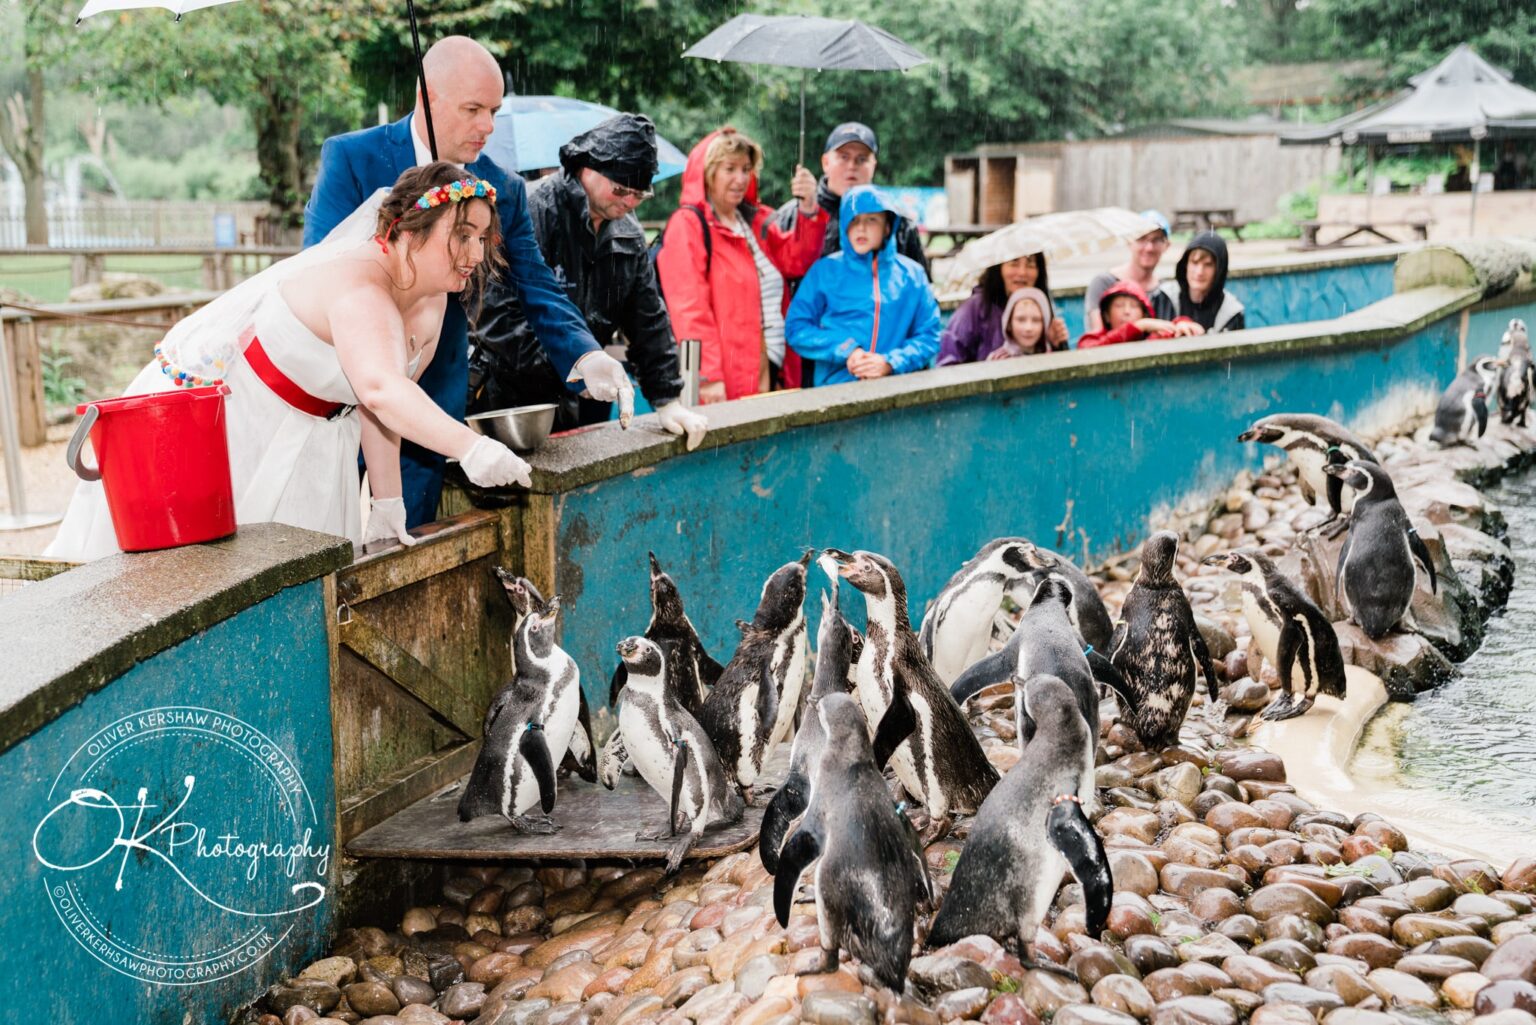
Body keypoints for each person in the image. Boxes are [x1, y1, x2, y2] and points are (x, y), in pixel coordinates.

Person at [46, 164, 533, 562]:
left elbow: (380, 409)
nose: (474, 254)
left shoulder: (433, 302)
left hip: (321, 443)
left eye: (482, 238)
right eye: (462, 235)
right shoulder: (361, 288)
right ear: (407, 230)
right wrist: (471, 448)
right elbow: (382, 389)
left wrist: (388, 504)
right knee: (198, 569)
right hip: (246, 425)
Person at [302, 36, 632, 529]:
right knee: (325, 535)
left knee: (411, 539)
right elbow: (319, 267)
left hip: (432, 389)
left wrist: (586, 354)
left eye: (494, 110)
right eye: (473, 109)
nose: (487, 127)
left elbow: (537, 284)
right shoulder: (352, 157)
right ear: (426, 98)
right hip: (334, 387)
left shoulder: (505, 188)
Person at [468, 113, 708, 449]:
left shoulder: (629, 234)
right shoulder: (534, 210)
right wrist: (572, 369)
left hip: (587, 398)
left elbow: (649, 319)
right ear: (585, 168)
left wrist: (667, 398)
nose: (628, 202)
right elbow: (493, 315)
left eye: (640, 196)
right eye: (620, 189)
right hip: (508, 398)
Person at [655, 127, 828, 403]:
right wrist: (707, 377)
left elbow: (797, 261)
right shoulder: (688, 225)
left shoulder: (756, 220)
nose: (740, 179)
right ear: (708, 172)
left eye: (746, 169)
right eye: (730, 169)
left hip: (774, 367)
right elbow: (690, 309)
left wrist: (808, 208)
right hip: (725, 375)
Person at [772, 122, 931, 385]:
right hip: (812, 370)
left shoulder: (902, 228)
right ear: (825, 162)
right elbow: (791, 315)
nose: (852, 166)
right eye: (843, 157)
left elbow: (924, 318)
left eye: (861, 159)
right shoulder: (792, 214)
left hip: (892, 377)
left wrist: (893, 361)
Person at [783, 185, 941, 386]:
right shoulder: (824, 271)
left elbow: (930, 334)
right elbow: (796, 328)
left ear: (887, 227)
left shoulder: (913, 275)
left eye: (871, 220)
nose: (861, 228)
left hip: (895, 391)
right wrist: (846, 350)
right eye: (854, 220)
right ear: (844, 226)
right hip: (835, 391)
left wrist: (891, 362)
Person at [937, 252, 1069, 364]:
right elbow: (948, 365)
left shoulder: (1042, 306)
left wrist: (1058, 345)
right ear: (998, 268)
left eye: (1030, 264)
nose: (1022, 272)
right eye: (1014, 263)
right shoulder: (973, 309)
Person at [1083, 210, 1175, 332]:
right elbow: (1096, 336)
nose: (1149, 247)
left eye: (1157, 240)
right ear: (1129, 241)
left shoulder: (1166, 290)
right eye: (1142, 238)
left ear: (1167, 246)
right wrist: (1140, 326)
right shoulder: (1104, 283)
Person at [1157, 231, 1245, 334]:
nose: (1199, 272)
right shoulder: (1165, 297)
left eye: (1208, 265)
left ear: (1219, 270)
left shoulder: (1231, 311)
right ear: (1185, 264)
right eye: (1194, 262)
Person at [1078, 279, 1193, 349]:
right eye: (1119, 305)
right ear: (1106, 316)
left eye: (1134, 306)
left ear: (1145, 315)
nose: (1127, 311)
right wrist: (1137, 326)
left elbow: (1173, 329)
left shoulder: (1152, 339)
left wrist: (1182, 323)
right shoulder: (1094, 340)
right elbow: (1086, 349)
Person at [986, 287, 1063, 359]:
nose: (1028, 328)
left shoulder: (1051, 356)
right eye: (1021, 320)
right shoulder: (997, 358)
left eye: (1036, 320)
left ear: (1044, 325)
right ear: (1009, 324)